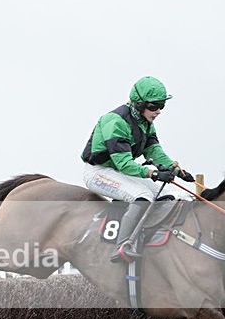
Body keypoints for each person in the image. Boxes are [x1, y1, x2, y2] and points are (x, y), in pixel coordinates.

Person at [81, 76, 195, 263]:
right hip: (98, 173)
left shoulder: (145, 122)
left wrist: (173, 168)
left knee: (168, 195)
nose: (158, 111)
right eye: (154, 106)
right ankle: (122, 246)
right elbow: (124, 164)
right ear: (139, 104)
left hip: (120, 172)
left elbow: (154, 151)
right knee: (143, 196)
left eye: (162, 106)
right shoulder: (115, 121)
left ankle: (155, 241)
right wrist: (155, 174)